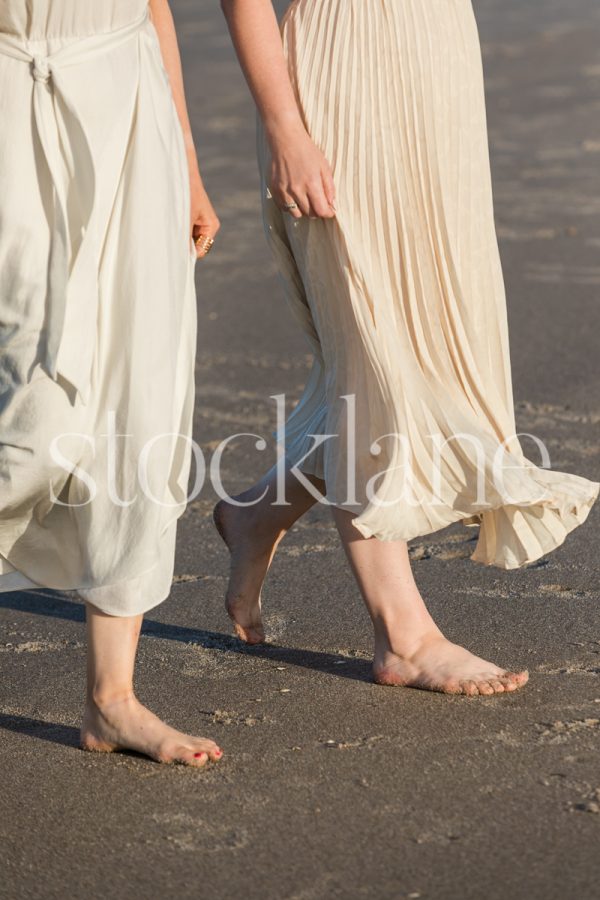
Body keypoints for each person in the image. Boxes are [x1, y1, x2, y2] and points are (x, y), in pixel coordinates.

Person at [217, 0, 599, 696]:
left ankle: (258, 512)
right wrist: (283, 126)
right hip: (340, 72)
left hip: (437, 57)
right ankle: (405, 635)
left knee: (432, 348)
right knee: (374, 351)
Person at [0, 0, 222, 765]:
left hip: (131, 100)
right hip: (13, 94)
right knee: (33, 406)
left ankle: (112, 698)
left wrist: (187, 160)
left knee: (140, 390)